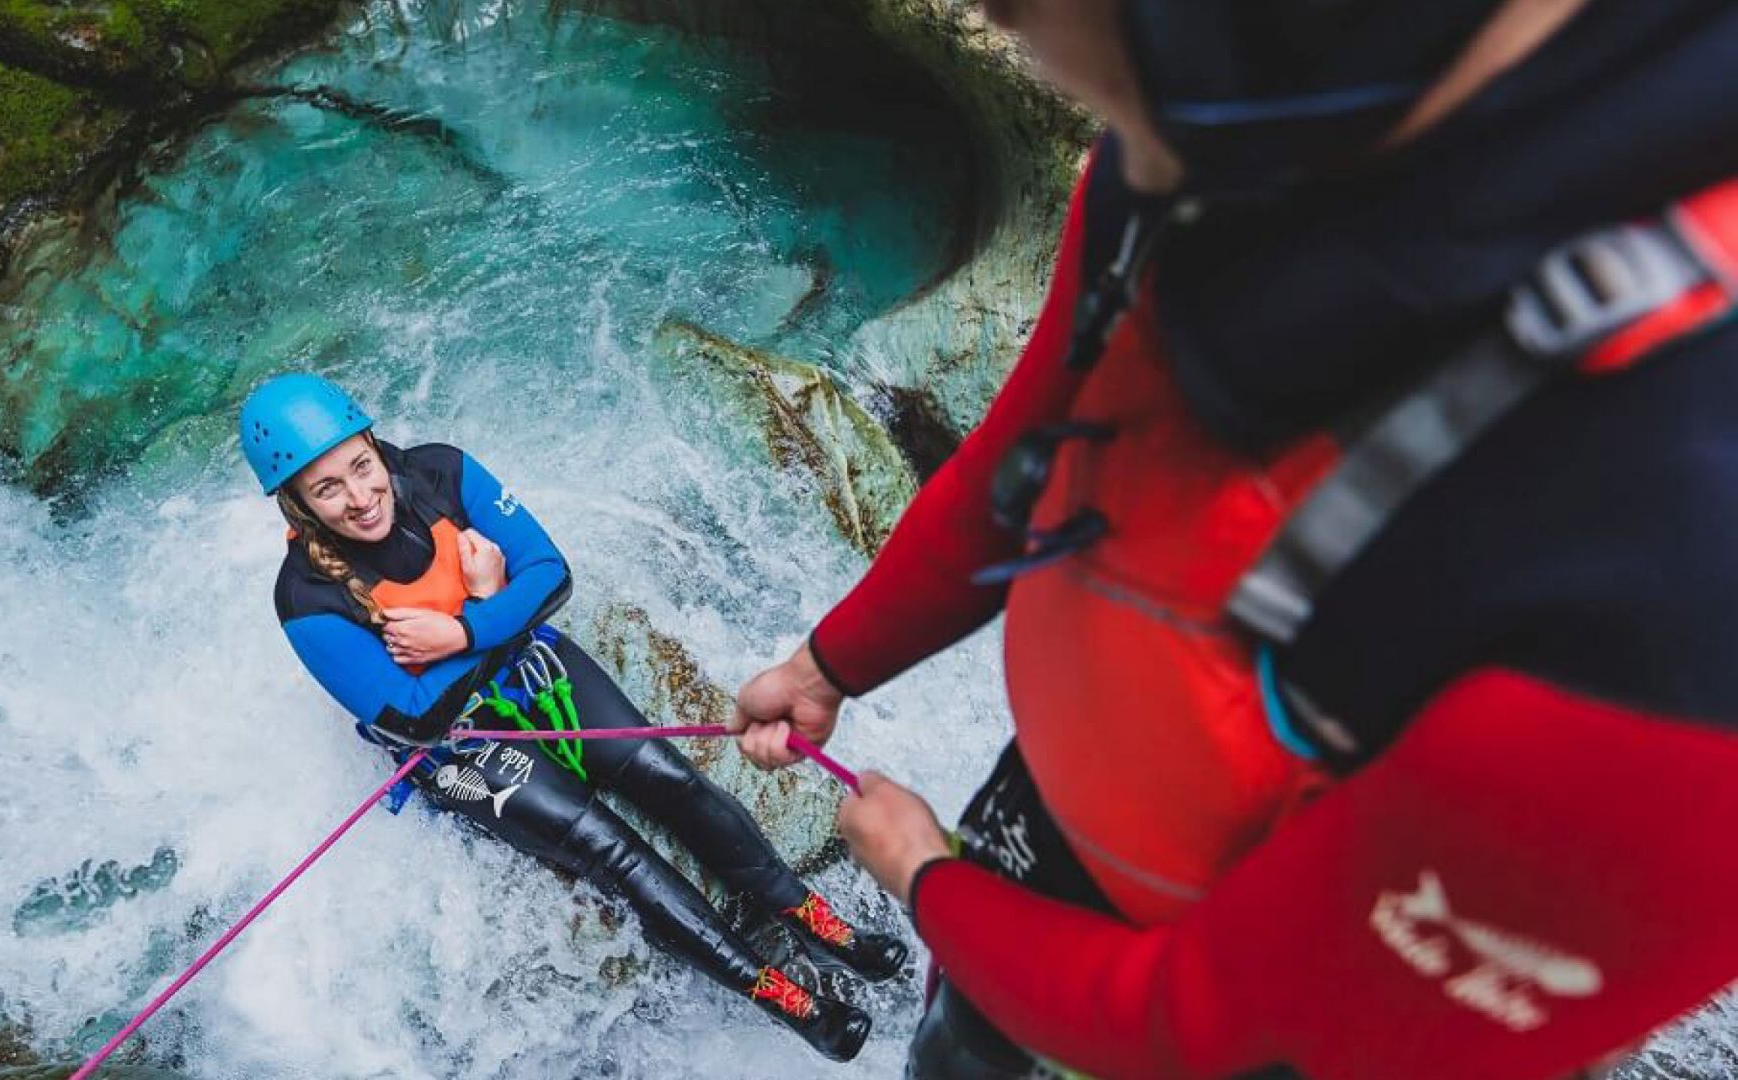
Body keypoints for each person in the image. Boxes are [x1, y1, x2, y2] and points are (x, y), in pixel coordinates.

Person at [730, 1, 1738, 1077]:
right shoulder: (1213, 148)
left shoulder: (1682, 599)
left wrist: (931, 882)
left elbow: (1220, 1030)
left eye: (1022, 16)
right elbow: (1038, 460)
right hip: (1048, 856)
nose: (997, 25)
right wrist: (830, 663)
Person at [238, 373, 908, 1062]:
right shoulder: (306, 599)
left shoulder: (441, 471)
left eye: (360, 467)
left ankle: (818, 923)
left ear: (375, 444)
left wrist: (466, 629)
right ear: (299, 506)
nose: (359, 497)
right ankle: (781, 997)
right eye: (328, 489)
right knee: (605, 845)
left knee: (664, 776)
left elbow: (551, 572)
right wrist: (497, 603)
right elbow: (415, 719)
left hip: (529, 668)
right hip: (457, 747)